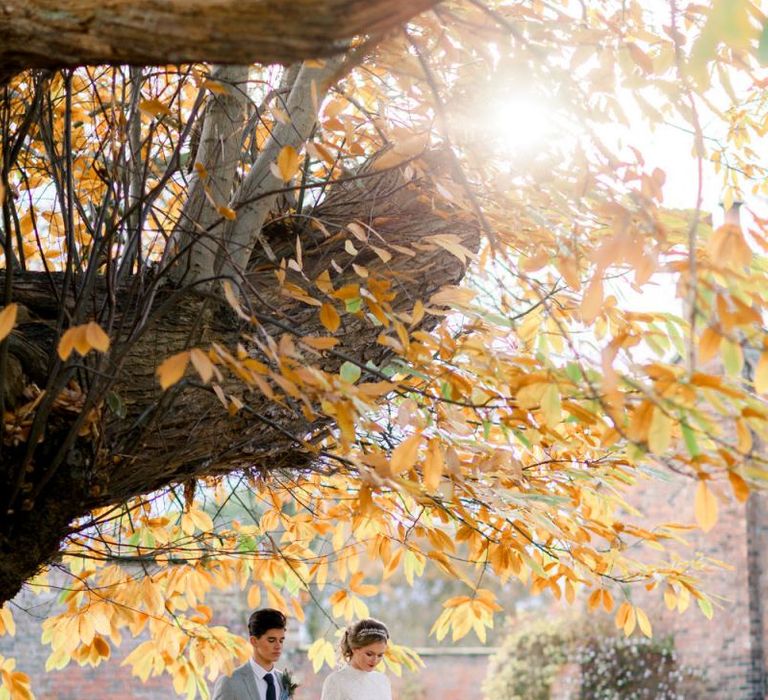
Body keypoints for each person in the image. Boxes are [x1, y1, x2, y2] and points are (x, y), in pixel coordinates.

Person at [212, 608, 291, 700]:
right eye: (271, 640)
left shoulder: (285, 682)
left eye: (281, 641)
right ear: (254, 641)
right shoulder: (230, 682)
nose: (278, 646)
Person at [320, 618, 392, 700]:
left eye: (380, 655)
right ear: (354, 648)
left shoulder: (383, 681)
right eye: (369, 654)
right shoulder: (335, 681)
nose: (375, 660)